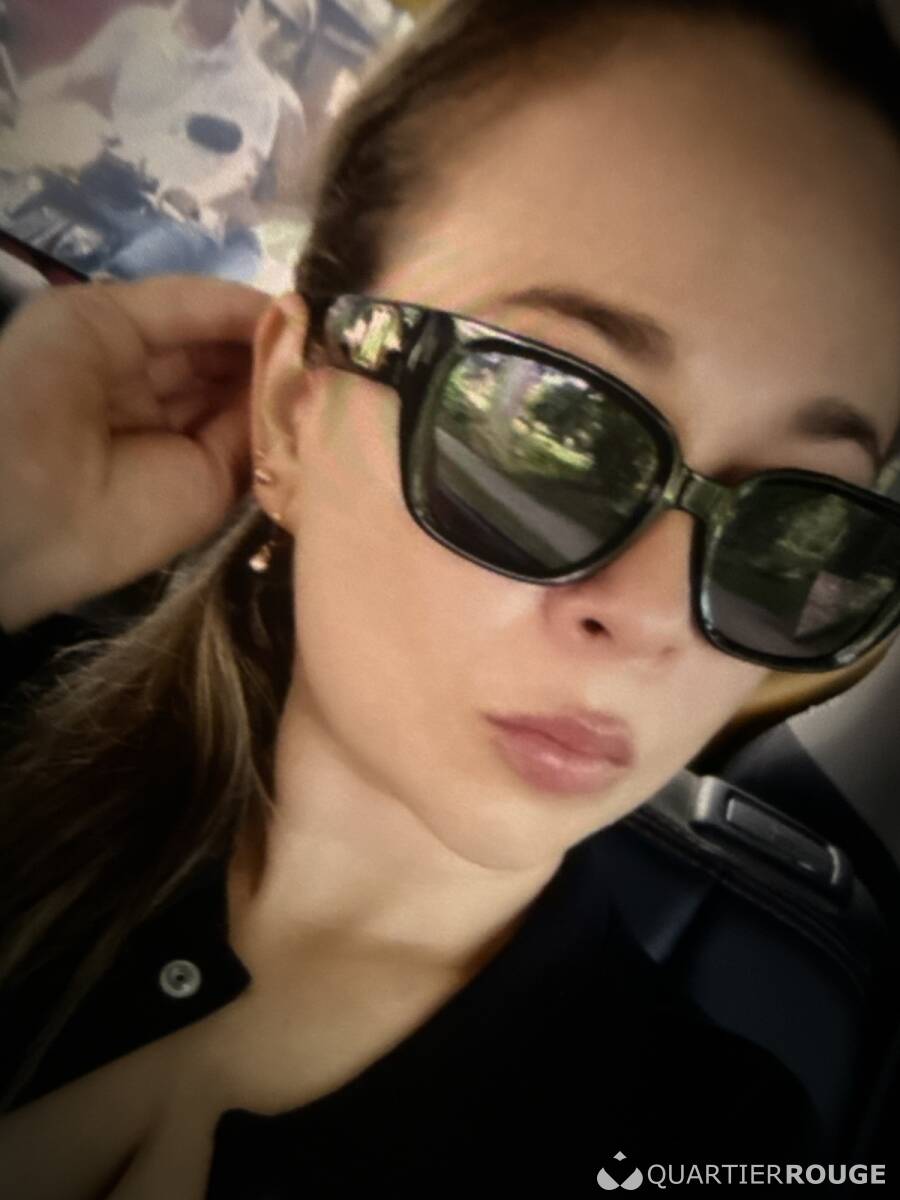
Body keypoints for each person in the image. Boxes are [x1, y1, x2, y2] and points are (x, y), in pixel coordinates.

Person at [0, 0, 899, 1195]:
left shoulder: (723, 1145)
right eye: (548, 427)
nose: (653, 616)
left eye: (792, 526)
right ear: (293, 409)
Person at [1, 0, 308, 274]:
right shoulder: (138, 26)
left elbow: (243, 167)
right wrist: (21, 101)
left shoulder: (258, 88)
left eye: (288, 29)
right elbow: (71, 79)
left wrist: (193, 194)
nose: (273, 28)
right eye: (270, 11)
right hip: (103, 180)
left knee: (123, 274)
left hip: (173, 218)